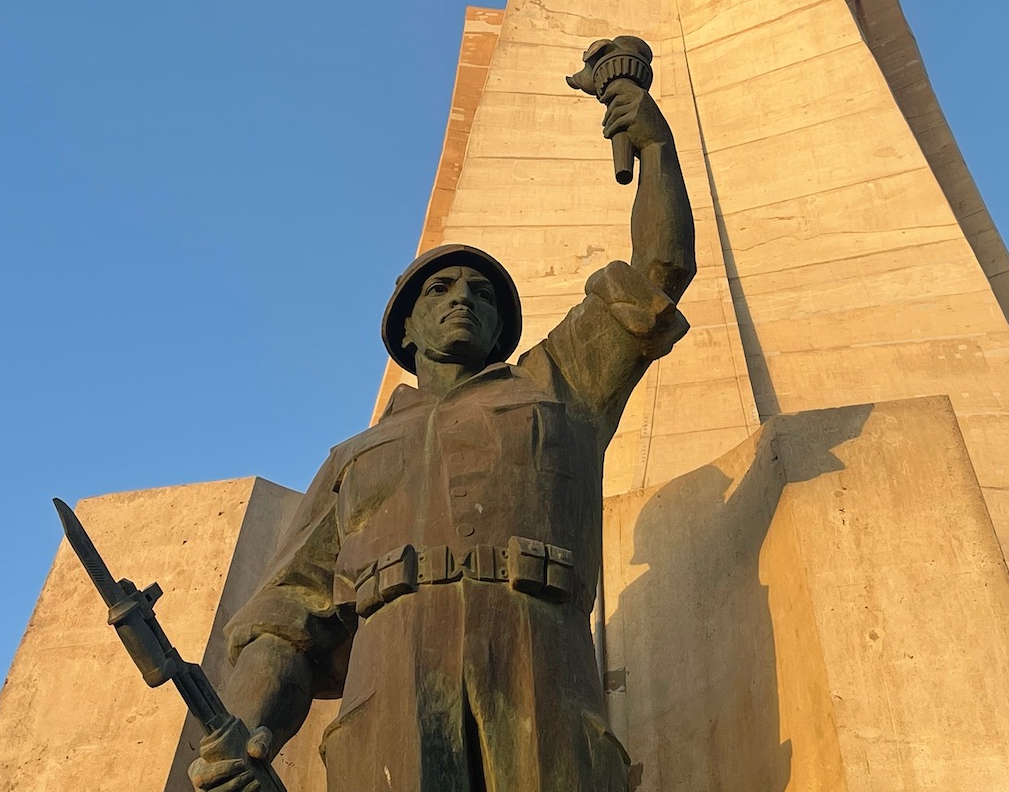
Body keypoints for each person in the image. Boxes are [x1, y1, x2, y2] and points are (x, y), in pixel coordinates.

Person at [190, 73, 696, 792]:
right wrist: (244, 732)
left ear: (500, 327)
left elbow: (658, 271)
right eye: (442, 289)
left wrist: (653, 145)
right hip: (390, 688)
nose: (464, 298)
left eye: (482, 294)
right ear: (407, 326)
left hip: (539, 670)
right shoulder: (353, 457)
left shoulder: (559, 387)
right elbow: (282, 623)